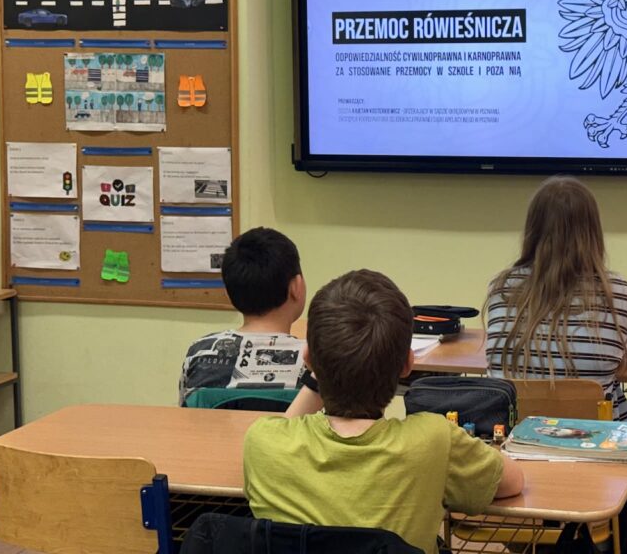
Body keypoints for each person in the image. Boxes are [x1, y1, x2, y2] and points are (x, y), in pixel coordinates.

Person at [244, 269, 524, 554]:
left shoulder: (264, 443)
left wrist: (317, 372)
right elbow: (513, 481)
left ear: (308, 359)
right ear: (407, 365)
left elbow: (285, 425)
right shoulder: (434, 440)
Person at [484, 175, 627, 420]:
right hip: (597, 439)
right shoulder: (622, 294)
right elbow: (622, 357)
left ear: (532, 229)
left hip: (513, 436)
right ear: (594, 231)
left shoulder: (500, 288)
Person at [178, 227, 307, 405]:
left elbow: (185, 414)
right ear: (296, 287)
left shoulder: (199, 353)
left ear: (229, 292)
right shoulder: (317, 362)